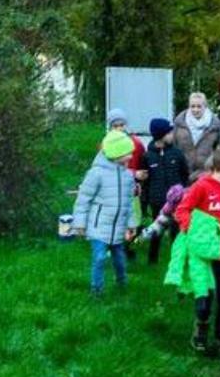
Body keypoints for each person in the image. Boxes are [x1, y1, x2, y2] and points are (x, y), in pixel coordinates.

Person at [162, 145, 220, 354]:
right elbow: (182, 210)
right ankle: (201, 330)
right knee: (205, 298)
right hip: (205, 255)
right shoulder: (202, 186)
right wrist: (196, 232)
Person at [69, 127, 139, 294]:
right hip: (99, 226)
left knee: (120, 260)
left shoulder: (128, 176)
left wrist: (131, 225)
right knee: (99, 258)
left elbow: (129, 203)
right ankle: (96, 290)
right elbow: (83, 199)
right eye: (127, 153)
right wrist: (79, 223)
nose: (130, 156)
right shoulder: (96, 174)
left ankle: (122, 284)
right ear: (115, 155)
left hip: (118, 228)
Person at [139, 117, 192, 265]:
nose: (172, 135)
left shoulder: (177, 153)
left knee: (176, 231)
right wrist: (145, 202)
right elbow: (145, 181)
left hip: (177, 202)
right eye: (169, 133)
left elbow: (185, 174)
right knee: (157, 231)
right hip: (157, 200)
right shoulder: (148, 156)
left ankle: (177, 260)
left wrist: (183, 193)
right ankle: (152, 260)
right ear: (161, 135)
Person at [177, 92, 220, 182]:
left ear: (205, 106)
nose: (195, 109)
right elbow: (174, 146)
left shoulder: (215, 125)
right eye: (193, 106)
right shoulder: (179, 123)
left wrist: (212, 167)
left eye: (199, 106)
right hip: (183, 173)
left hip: (205, 174)